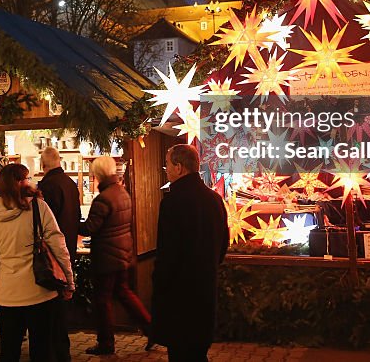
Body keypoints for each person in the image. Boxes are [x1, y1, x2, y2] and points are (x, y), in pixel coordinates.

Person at [0, 163, 75, 362]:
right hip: (40, 292)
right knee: (42, 351)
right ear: (19, 182)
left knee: (9, 352)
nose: (30, 181)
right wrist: (69, 280)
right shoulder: (38, 207)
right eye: (26, 178)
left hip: (7, 296)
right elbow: (58, 246)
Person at [151, 144, 228, 362]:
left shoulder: (172, 203)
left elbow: (167, 254)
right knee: (198, 352)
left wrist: (159, 284)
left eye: (167, 164)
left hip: (179, 296)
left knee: (180, 353)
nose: (165, 168)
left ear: (179, 167)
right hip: (205, 290)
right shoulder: (214, 200)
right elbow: (224, 243)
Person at [79, 155, 150, 355]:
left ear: (97, 174)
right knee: (124, 292)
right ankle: (151, 328)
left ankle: (106, 343)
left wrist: (71, 221)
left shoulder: (103, 198)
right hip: (123, 253)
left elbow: (91, 228)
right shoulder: (122, 192)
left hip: (107, 258)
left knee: (103, 300)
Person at [37, 146, 80, 361]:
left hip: (52, 253)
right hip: (68, 247)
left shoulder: (47, 186)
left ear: (43, 165)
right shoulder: (70, 183)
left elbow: (45, 226)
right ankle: (62, 350)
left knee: (51, 307)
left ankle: (55, 351)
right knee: (61, 302)